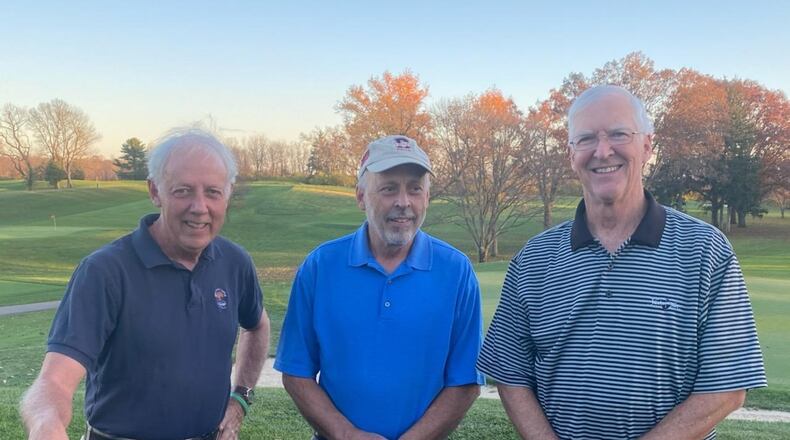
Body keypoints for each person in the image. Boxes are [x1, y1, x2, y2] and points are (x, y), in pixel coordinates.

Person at [477, 85, 766, 440]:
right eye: (586, 139)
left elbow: (726, 388)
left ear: (647, 146)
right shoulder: (535, 259)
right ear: (571, 154)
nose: (602, 151)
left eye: (618, 134)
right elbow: (511, 373)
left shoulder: (705, 251)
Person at [20, 128, 271, 440]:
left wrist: (241, 398)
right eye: (182, 191)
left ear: (228, 194)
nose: (199, 207)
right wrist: (46, 423)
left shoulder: (235, 262)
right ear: (155, 191)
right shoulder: (104, 271)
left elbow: (257, 325)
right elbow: (54, 381)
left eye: (213, 192)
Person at [275, 135, 484, 440]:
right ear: (361, 196)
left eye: (415, 189)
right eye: (389, 188)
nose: (404, 202)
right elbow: (296, 371)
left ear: (427, 197)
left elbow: (465, 381)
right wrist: (347, 434)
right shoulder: (320, 266)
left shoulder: (457, 271)